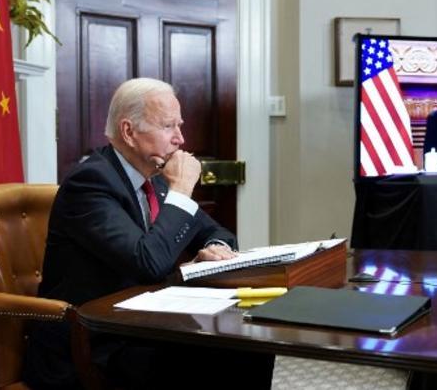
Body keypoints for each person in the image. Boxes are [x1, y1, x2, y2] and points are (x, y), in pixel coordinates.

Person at [22, 78, 275, 389]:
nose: (180, 139)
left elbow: (216, 232)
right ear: (129, 132)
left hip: (142, 327)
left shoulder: (153, 178)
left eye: (179, 126)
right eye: (168, 126)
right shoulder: (90, 183)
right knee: (226, 357)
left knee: (250, 345)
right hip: (94, 343)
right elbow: (148, 262)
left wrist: (216, 248)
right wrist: (181, 189)